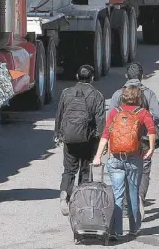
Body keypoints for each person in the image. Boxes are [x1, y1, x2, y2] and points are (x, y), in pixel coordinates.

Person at [93, 85, 156, 240]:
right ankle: (134, 229)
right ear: (139, 98)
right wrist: (152, 148)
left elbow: (106, 134)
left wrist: (98, 155)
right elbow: (152, 130)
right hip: (134, 158)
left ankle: (116, 230)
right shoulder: (143, 113)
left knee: (117, 195)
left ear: (123, 97)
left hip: (115, 158)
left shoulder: (115, 112)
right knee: (133, 194)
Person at [107, 62, 159, 220]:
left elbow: (110, 116)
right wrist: (146, 125)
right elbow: (157, 115)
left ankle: (126, 205)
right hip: (144, 139)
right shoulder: (148, 93)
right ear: (142, 77)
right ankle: (139, 197)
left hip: (122, 140)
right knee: (144, 170)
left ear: (126, 76)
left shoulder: (119, 93)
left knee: (124, 169)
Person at [54, 64, 106, 216]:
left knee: (69, 170)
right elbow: (100, 121)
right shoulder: (97, 95)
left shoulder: (66, 93)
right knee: (84, 170)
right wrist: (99, 141)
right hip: (87, 140)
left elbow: (60, 115)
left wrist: (58, 134)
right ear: (92, 78)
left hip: (69, 138)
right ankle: (81, 201)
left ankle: (64, 194)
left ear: (77, 77)